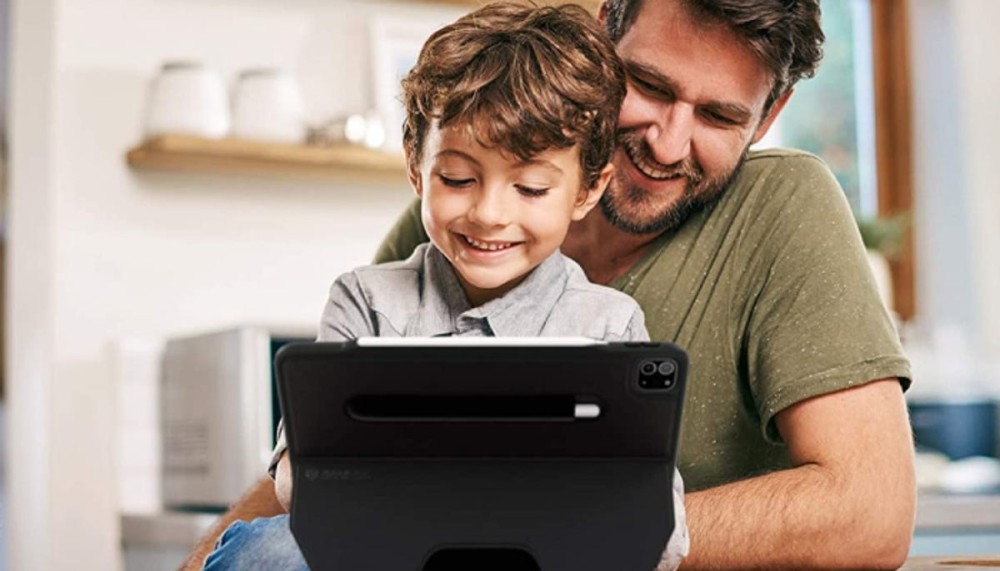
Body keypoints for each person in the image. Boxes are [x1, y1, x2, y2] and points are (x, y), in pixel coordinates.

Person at [185, 0, 917, 569]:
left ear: (769, 117)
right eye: (650, 85)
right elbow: (325, 447)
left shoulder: (782, 205)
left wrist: (564, 533)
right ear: (601, 39)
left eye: (720, 115)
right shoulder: (463, 223)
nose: (666, 142)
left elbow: (871, 508)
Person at [196, 3, 688, 570]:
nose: (488, 213)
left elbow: (656, 517)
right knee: (268, 550)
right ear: (416, 165)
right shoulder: (366, 300)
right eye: (457, 179)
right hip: (379, 550)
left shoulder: (609, 325)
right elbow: (300, 471)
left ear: (586, 190)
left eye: (529, 188)